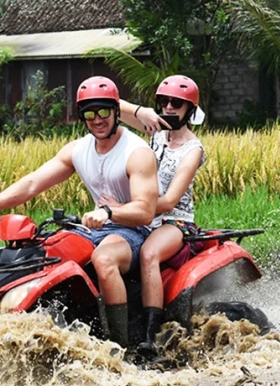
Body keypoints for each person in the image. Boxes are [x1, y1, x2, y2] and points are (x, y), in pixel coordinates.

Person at [0, 76, 158, 346]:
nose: (97, 119)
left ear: (117, 111)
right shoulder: (78, 150)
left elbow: (145, 211)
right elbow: (32, 183)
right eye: (89, 113)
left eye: (104, 112)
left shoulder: (137, 152)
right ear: (82, 117)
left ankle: (120, 347)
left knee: (104, 259)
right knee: (43, 254)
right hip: (93, 228)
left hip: (134, 231)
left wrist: (108, 212)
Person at [110, 75, 206, 357]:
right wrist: (142, 112)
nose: (168, 107)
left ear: (189, 109)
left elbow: (170, 200)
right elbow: (112, 104)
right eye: (163, 102)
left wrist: (124, 208)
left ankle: (152, 336)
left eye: (176, 103)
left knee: (149, 254)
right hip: (142, 215)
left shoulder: (193, 150)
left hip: (174, 219)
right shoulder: (156, 132)